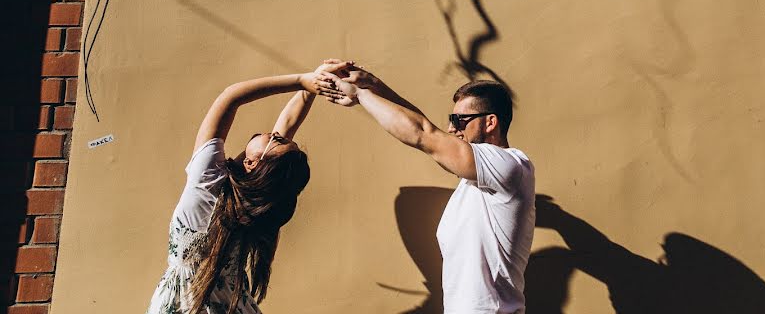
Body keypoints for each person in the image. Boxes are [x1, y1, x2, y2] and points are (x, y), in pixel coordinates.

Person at [316, 66, 535, 314]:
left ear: (490, 122)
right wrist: (375, 85)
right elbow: (426, 130)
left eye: (459, 120)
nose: (452, 129)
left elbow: (423, 134)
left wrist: (361, 95)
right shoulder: (478, 180)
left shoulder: (509, 166)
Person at [146, 60, 351, 314]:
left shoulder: (207, 181)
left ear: (253, 164)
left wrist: (301, 80)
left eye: (275, 140)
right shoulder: (258, 205)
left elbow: (230, 98)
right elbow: (287, 124)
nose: (274, 133)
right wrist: (314, 84)